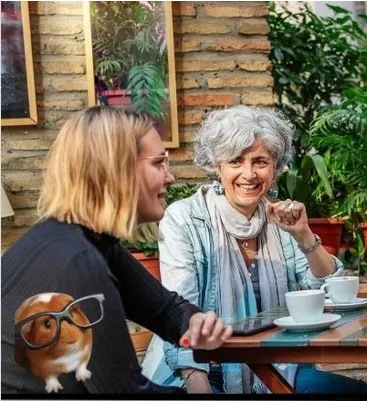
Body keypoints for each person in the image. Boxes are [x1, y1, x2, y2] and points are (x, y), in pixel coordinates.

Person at [140, 106, 367, 395]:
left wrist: (302, 234)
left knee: (356, 393)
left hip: (277, 366)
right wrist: (198, 388)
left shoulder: (279, 219)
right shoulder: (185, 218)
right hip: (202, 368)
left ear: (274, 167)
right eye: (236, 161)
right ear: (217, 166)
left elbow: (328, 290)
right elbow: (179, 316)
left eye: (260, 161)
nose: (248, 174)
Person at [1, 107, 232, 394]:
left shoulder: (88, 242)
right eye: (159, 163)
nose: (170, 177)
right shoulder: (77, 260)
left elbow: (164, 310)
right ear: (118, 170)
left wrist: (195, 322)